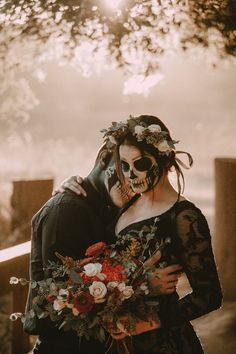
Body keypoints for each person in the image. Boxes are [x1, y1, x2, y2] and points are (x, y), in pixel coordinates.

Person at [24, 143, 182, 354]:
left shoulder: (111, 209)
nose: (133, 181)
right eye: (124, 168)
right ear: (103, 158)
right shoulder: (67, 210)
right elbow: (66, 296)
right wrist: (144, 285)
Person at [102, 114, 222, 353]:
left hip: (164, 344)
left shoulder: (184, 217)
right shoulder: (124, 204)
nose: (130, 174)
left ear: (166, 161)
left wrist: (146, 322)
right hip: (119, 341)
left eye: (141, 164)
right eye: (124, 165)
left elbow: (209, 295)